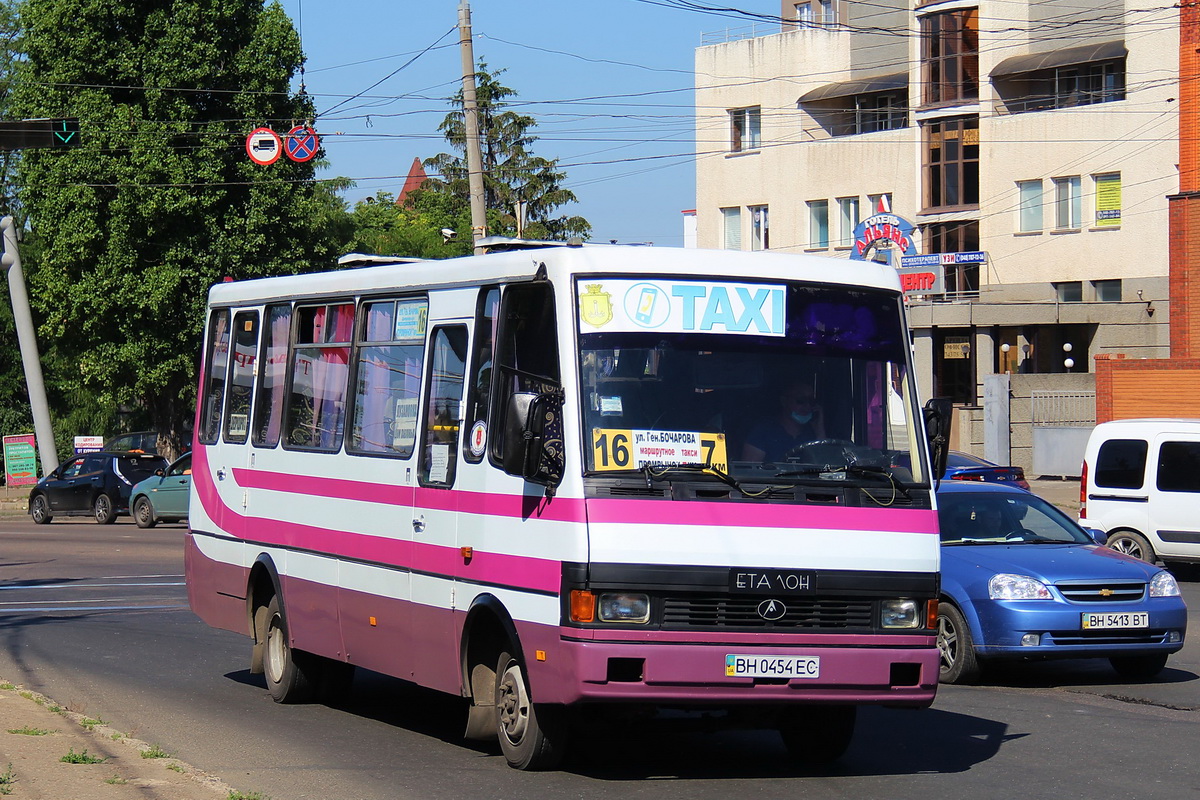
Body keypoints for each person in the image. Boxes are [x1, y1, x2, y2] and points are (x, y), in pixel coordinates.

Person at [741, 380, 826, 462]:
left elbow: (825, 468)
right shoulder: (763, 432)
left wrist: (820, 432)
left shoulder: (813, 434)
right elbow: (749, 470)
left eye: (811, 401)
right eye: (801, 400)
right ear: (784, 401)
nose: (807, 406)